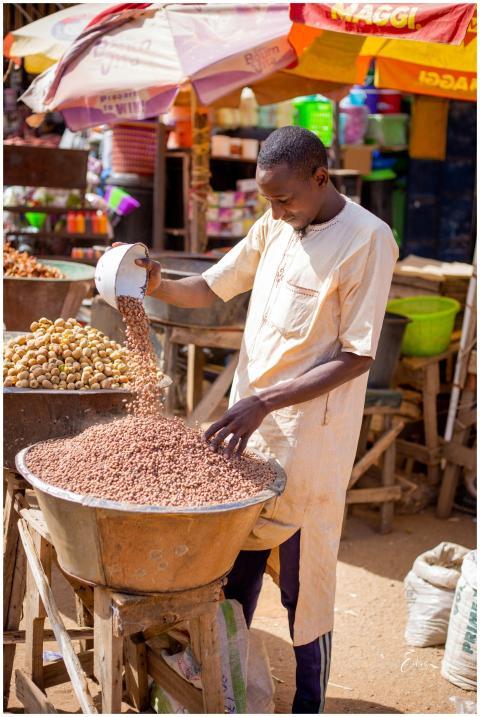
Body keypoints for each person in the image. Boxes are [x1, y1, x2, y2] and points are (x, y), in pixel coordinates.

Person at [127, 125, 399, 713]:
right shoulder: (275, 223)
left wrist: (265, 402)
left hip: (306, 446)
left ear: (320, 177)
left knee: (306, 591)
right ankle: (225, 694)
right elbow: (211, 286)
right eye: (267, 200)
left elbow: (357, 356)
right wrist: (156, 284)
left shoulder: (368, 240)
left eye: (283, 198)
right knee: (233, 571)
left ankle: (307, 704)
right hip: (245, 435)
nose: (274, 210)